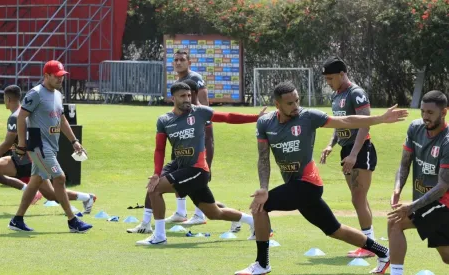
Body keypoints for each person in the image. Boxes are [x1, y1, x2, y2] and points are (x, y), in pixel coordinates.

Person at [235, 81, 408, 275]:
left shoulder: (308, 116)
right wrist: (264, 188)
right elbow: (263, 158)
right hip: (296, 187)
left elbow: (346, 121)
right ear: (278, 105)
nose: (295, 106)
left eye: (297, 100)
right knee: (335, 230)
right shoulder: (265, 123)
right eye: (290, 103)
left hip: (309, 184)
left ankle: (262, 263)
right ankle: (384, 253)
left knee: (260, 207)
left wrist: (380, 118)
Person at [136, 82, 265, 245]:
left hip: (197, 170)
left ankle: (159, 236)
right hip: (186, 171)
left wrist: (256, 118)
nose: (187, 99)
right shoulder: (164, 120)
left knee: (155, 189)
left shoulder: (200, 113)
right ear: (172, 98)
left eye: (189, 95)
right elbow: (159, 149)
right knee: (214, 213)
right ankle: (252, 222)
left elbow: (227, 117)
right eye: (183, 96)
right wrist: (156, 173)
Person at [0, 85, 96, 217]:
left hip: (28, 161)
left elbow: (7, 143)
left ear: (7, 99)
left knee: (52, 194)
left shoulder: (15, 117)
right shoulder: (22, 113)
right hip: (21, 159)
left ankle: (86, 198)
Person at [7, 60, 92, 233]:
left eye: (62, 76)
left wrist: (74, 141)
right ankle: (72, 220)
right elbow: (21, 117)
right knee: (59, 178)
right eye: (57, 76)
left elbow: (61, 119)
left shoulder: (58, 94)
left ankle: (17, 220)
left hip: (51, 146)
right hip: (38, 145)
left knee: (35, 181)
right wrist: (22, 143)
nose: (61, 79)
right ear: (46, 76)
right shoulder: (36, 93)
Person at [320, 56, 378, 258]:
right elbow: (340, 124)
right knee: (358, 199)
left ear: (342, 74)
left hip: (361, 149)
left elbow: (365, 123)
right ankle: (371, 243)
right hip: (347, 151)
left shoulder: (357, 93)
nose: (328, 83)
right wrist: (330, 144)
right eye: (326, 79)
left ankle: (369, 247)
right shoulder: (336, 96)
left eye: (331, 78)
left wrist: (354, 154)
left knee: (358, 198)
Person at [387, 90, 449, 275]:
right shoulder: (415, 128)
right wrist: (398, 187)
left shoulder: (447, 142)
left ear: (444, 112)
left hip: (443, 203)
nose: (425, 117)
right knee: (447, 256)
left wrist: (411, 207)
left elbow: (443, 187)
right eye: (422, 112)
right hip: (427, 202)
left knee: (395, 222)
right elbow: (404, 164)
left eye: (430, 113)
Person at [164, 50, 215, 225]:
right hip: (183, 133)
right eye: (175, 60)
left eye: (182, 60)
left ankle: (200, 214)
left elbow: (203, 106)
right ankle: (180, 211)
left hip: (197, 132)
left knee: (198, 173)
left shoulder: (195, 78)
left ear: (189, 62)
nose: (178, 63)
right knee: (180, 169)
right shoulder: (178, 82)